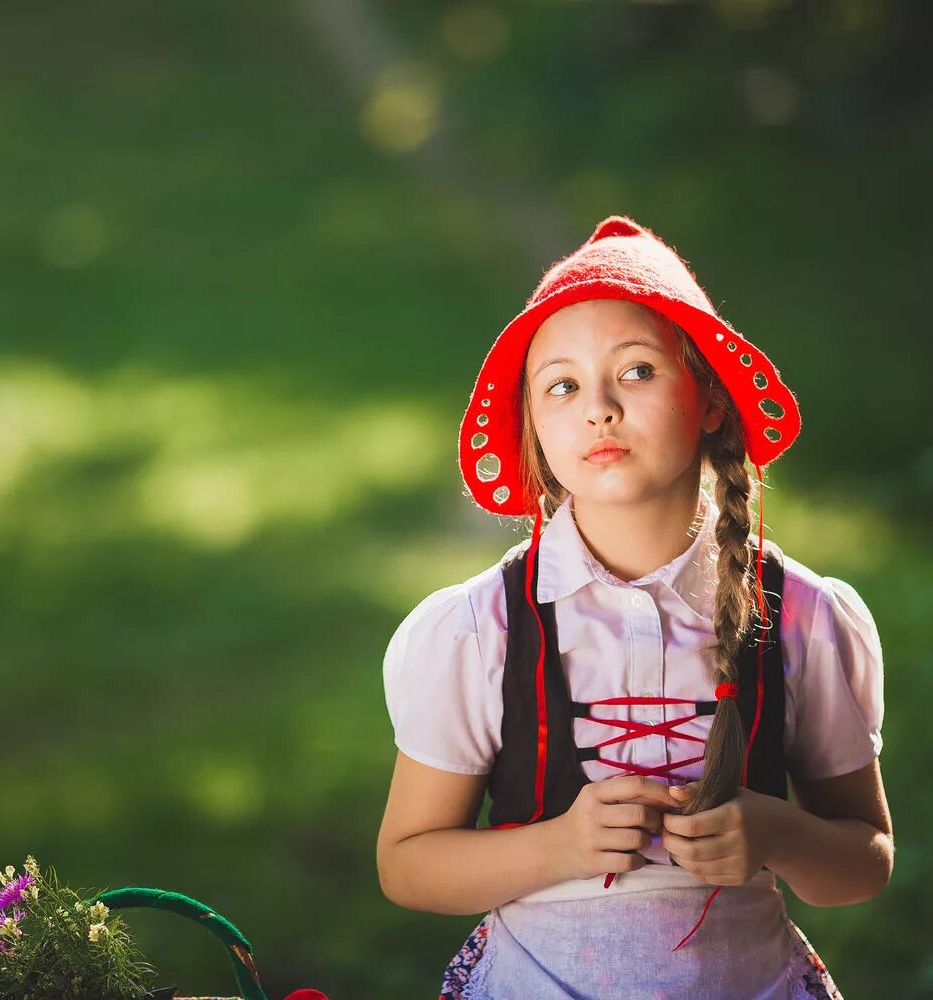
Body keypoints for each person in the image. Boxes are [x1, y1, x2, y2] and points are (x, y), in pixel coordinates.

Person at [375, 216, 893, 999]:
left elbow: (865, 859)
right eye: (563, 385)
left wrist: (777, 831)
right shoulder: (485, 629)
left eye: (639, 371)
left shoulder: (798, 617)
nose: (600, 408)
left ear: (711, 399)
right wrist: (560, 845)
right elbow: (406, 864)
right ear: (534, 428)